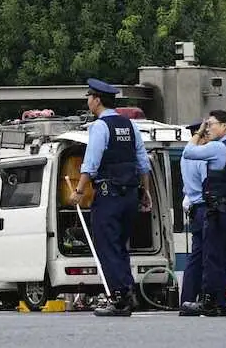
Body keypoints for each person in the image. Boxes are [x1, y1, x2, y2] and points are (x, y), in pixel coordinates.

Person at [66, 79, 152, 316]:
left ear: (96, 100)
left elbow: (90, 163)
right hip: (130, 195)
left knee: (107, 246)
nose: (87, 101)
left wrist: (79, 190)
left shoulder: (99, 127)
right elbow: (143, 162)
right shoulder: (130, 126)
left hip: (109, 195)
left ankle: (119, 298)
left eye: (89, 97)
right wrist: (145, 192)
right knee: (121, 246)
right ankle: (127, 292)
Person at [179, 110, 226, 317]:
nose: (208, 128)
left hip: (219, 213)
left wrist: (198, 133)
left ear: (224, 126)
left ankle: (212, 302)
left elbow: (188, 152)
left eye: (211, 124)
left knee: (213, 257)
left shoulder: (218, 148)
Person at [178, 119, 208, 314]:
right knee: (210, 256)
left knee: (196, 256)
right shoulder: (202, 157)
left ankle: (187, 298)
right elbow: (209, 184)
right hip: (206, 207)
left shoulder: (185, 156)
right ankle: (208, 297)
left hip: (195, 210)